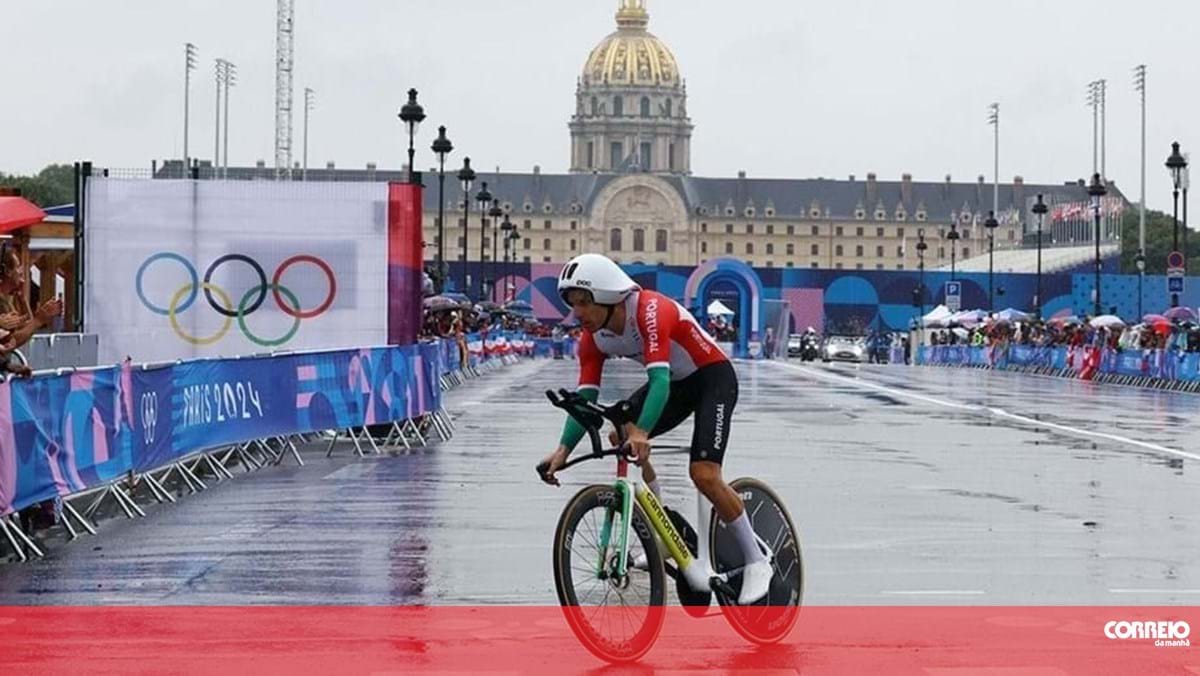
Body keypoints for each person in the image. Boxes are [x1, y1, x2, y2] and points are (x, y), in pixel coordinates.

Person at [538, 254, 772, 605]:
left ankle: (756, 559)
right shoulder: (592, 338)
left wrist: (643, 432)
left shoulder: (649, 310)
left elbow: (658, 381)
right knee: (620, 434)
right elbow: (585, 399)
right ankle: (662, 534)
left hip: (712, 378)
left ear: (608, 297)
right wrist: (562, 450)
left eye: (584, 303)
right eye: (573, 304)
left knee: (704, 475)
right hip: (678, 383)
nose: (578, 313)